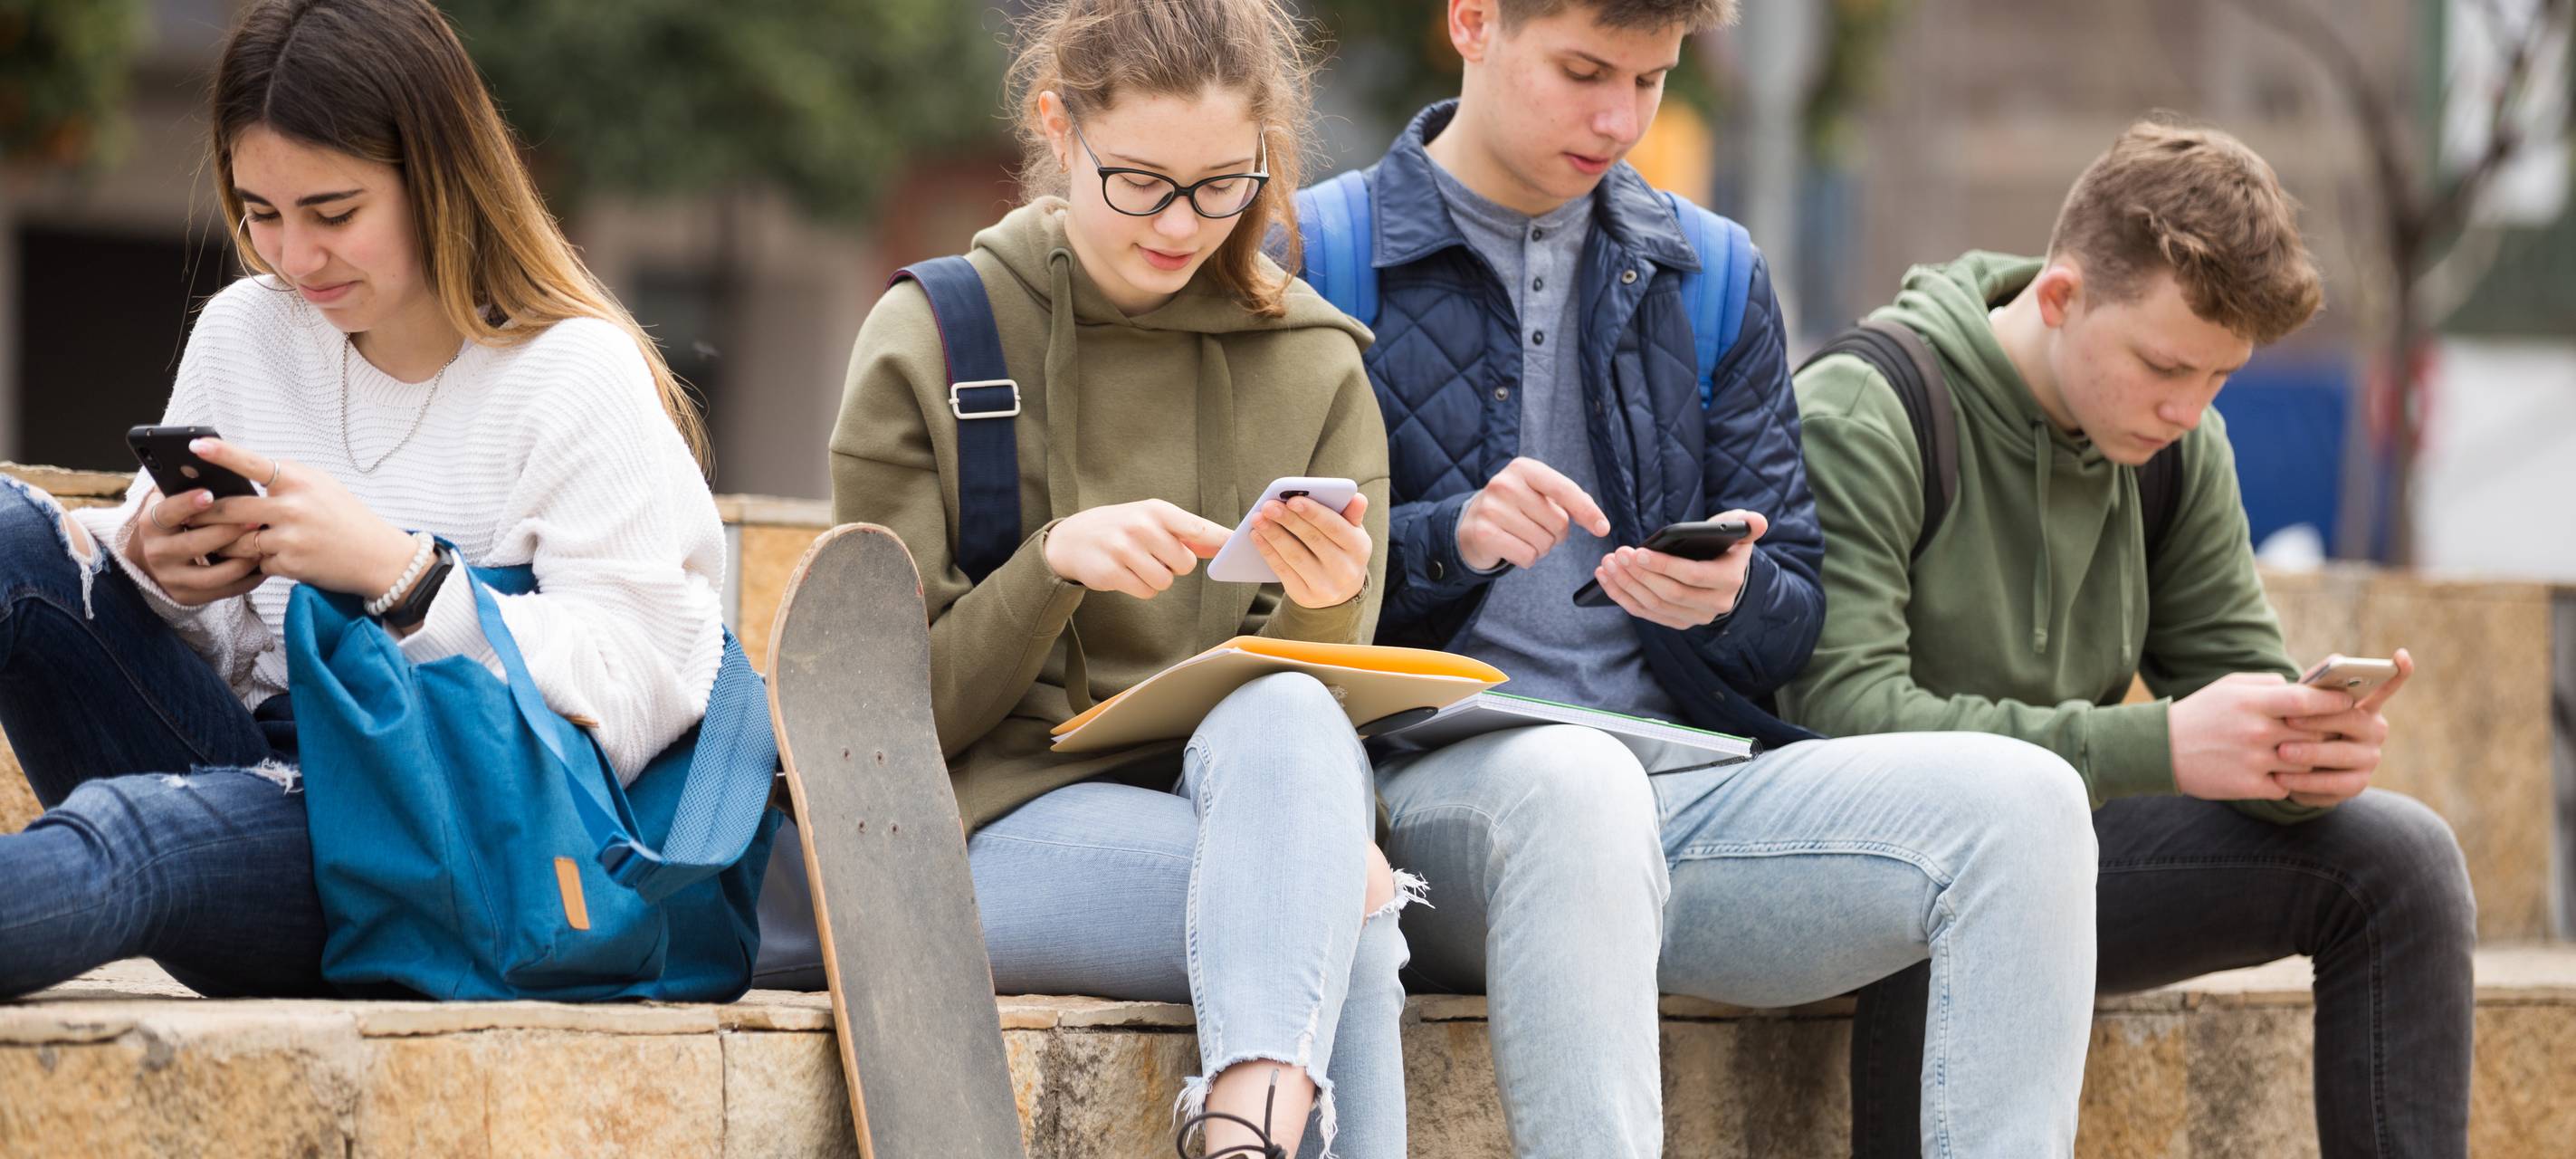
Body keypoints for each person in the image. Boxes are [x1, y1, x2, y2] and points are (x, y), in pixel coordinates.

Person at [1295, 1, 2101, 1154]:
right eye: (1581, 71)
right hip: (1424, 814)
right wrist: (1450, 536)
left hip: (1681, 796)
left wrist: (1726, 598)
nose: (1617, 118)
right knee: (1578, 785)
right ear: (1471, 21)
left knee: (2028, 805)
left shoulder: (1709, 271)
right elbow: (1256, 596)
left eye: (1651, 79)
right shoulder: (1316, 255)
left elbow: (1791, 611)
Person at [0, 0, 730, 1000]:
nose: (295, 259)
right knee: (11, 530)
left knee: (132, 834)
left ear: (438, 178)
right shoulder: (247, 331)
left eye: (334, 214)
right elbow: (197, 645)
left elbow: (646, 685)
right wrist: (162, 569)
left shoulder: (572, 375)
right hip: (237, 760)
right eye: (260, 213)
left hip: (427, 839)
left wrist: (405, 578)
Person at [1785, 116, 2476, 1157]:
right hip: (1860, 864)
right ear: (2057, 298)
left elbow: (2231, 673)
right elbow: (1836, 719)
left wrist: (2296, 749)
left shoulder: (2171, 441)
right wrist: (2152, 746)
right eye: (2164, 366)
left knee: (2399, 860)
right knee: (1986, 863)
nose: (2187, 406)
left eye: (2218, 378)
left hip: (2056, 846)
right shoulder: (1867, 409)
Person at [827, 2, 1411, 1154]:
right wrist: (1048, 565)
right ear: (1057, 127)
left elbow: (1322, 711)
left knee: (1292, 712)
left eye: (1221, 185)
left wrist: (1326, 599)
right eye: (1138, 180)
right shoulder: (936, 336)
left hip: (1241, 796)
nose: (1179, 223)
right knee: (1350, 908)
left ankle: (1241, 1132)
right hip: (984, 825)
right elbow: (887, 715)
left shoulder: (1316, 362)